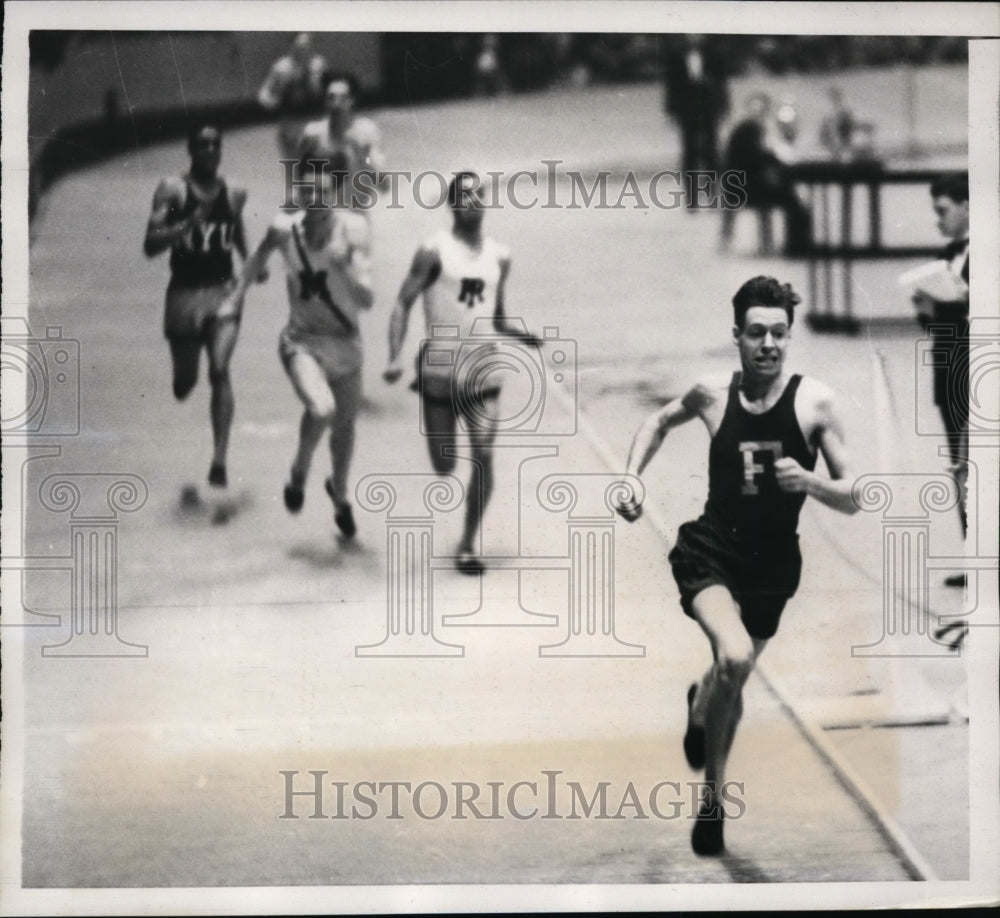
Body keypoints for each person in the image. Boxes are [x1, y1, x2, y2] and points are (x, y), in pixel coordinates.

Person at [616, 276, 857, 855]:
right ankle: (714, 801)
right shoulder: (711, 392)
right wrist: (630, 476)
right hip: (712, 551)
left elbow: (856, 493)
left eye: (779, 333)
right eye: (756, 333)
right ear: (737, 337)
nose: (768, 344)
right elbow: (657, 422)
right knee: (736, 656)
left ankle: (701, 703)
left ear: (789, 336)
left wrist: (812, 483)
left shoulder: (815, 403)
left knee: (730, 674)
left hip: (773, 566)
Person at [383, 171, 542, 573]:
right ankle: (459, 512)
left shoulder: (500, 256)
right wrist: (394, 356)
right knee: (444, 465)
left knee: (484, 456)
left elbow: (496, 313)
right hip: (439, 368)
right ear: (452, 204)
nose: (473, 202)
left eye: (478, 195)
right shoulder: (433, 251)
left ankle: (468, 544)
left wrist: (521, 336)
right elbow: (403, 303)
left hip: (483, 368)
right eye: (464, 196)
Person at [219, 166, 373, 538]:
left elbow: (367, 298)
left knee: (344, 431)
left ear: (335, 195)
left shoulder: (353, 231)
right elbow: (256, 259)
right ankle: (299, 472)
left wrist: (344, 267)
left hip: (346, 342)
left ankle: (339, 494)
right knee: (322, 408)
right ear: (301, 197)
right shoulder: (284, 230)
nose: (317, 201)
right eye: (310, 193)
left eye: (324, 193)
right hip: (301, 340)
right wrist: (234, 300)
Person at [143, 124, 262, 489]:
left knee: (220, 370)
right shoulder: (172, 189)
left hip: (223, 292)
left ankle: (219, 460)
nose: (211, 150)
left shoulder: (236, 192)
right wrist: (187, 224)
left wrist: (250, 260)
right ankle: (182, 380)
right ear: (191, 150)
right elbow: (150, 244)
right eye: (203, 145)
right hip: (183, 295)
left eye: (216, 144)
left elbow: (235, 227)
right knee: (187, 381)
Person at [913, 173, 970, 602]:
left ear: (968, 205)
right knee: (960, 467)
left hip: (977, 373)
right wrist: (928, 308)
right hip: (949, 371)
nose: (938, 221)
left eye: (943, 210)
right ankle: (975, 556)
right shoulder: (949, 253)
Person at [719, 93, 811, 256]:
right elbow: (757, 159)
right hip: (748, 188)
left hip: (741, 186)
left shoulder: (750, 129)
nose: (759, 114)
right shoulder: (749, 130)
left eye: (761, 111)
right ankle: (794, 245)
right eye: (756, 110)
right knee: (791, 197)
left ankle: (778, 243)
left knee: (789, 194)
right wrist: (777, 159)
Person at [663, 34, 729, 203]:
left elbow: (722, 84)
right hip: (687, 111)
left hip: (709, 109)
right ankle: (691, 198)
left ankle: (711, 193)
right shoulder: (676, 56)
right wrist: (670, 111)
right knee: (690, 153)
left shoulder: (714, 54)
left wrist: (724, 107)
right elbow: (671, 85)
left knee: (711, 153)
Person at [297, 72, 386, 195]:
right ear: (325, 100)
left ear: (352, 100)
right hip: (325, 211)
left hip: (357, 211)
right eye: (331, 98)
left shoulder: (366, 131)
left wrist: (364, 157)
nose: (337, 104)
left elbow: (384, 186)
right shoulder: (313, 134)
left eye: (343, 98)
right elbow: (300, 183)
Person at [258, 33, 330, 161]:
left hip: (315, 121)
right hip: (291, 124)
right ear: (292, 47)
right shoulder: (282, 68)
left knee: (318, 167)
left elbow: (328, 90)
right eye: (299, 47)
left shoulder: (319, 66)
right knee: (293, 167)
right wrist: (271, 101)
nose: (303, 51)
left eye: (306, 47)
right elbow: (264, 93)